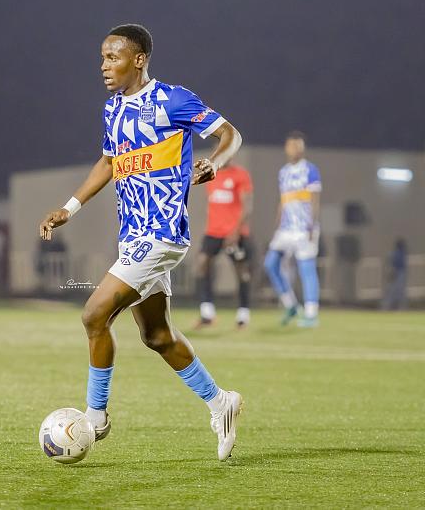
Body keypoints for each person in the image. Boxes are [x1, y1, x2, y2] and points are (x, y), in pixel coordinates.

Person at [39, 24, 243, 461]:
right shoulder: (112, 109)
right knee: (156, 335)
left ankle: (95, 418)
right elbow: (109, 163)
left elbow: (230, 134)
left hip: (162, 232)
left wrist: (215, 163)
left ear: (139, 59)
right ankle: (220, 402)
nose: (103, 66)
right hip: (132, 237)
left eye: (112, 57)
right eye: (102, 58)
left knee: (94, 314)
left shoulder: (173, 100)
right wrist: (70, 208)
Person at [264, 131, 321, 327]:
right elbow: (283, 201)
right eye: (292, 145)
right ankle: (291, 305)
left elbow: (315, 200)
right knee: (270, 263)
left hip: (304, 228)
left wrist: (312, 225)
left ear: (303, 148)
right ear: (286, 148)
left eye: (298, 146)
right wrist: (277, 225)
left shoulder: (310, 170)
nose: (295, 149)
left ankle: (311, 314)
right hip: (286, 229)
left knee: (306, 268)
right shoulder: (283, 172)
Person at [194, 161, 254, 328]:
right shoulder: (211, 174)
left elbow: (247, 207)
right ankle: (207, 313)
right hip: (213, 232)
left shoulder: (240, 174)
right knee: (202, 264)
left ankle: (243, 315)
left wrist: (236, 231)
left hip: (234, 233)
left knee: (242, 271)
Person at [382, 238, 408, 310]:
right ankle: (387, 307)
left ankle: (397, 307)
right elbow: (391, 263)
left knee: (397, 292)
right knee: (394, 291)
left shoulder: (400, 253)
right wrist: (391, 272)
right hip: (397, 273)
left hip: (399, 273)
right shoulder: (397, 253)